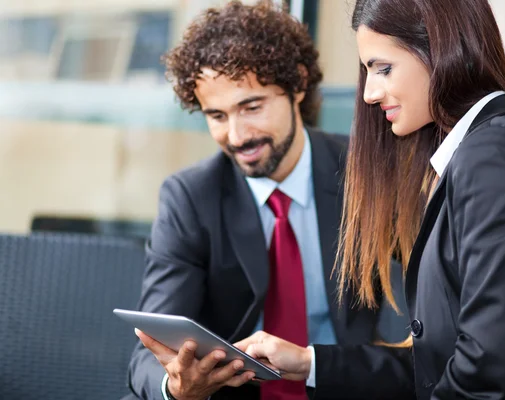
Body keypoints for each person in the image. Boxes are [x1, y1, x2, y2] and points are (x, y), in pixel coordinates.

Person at [235, 0, 505, 399]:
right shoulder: (479, 154)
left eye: (383, 68)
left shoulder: (496, 156)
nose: (370, 93)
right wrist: (309, 363)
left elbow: (485, 371)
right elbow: (440, 365)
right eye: (367, 72)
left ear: (437, 47)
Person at [126, 1, 409, 399]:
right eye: (218, 116)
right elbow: (147, 351)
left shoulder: (365, 172)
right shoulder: (190, 198)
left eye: (252, 107)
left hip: (342, 384)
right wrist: (175, 388)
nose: (238, 135)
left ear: (297, 84)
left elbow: (440, 307)